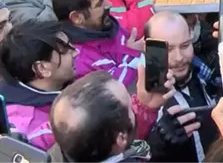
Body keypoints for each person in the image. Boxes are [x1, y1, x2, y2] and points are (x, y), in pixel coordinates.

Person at [48, 69, 177, 163]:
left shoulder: (69, 144)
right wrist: (158, 149)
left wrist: (146, 108)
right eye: (131, 107)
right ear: (120, 139)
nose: (135, 102)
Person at [145, 11, 221, 163]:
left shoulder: (204, 72)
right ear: (149, 49)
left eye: (185, 45)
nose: (179, 57)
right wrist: (157, 146)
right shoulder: (143, 98)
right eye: (169, 49)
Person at [52, 0, 143, 87]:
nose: (109, 4)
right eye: (100, 4)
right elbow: (116, 88)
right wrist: (132, 53)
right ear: (77, 17)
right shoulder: (78, 59)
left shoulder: (107, 25)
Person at [0, 20, 78, 151]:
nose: (76, 52)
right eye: (65, 50)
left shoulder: (66, 80)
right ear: (42, 68)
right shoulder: (28, 130)